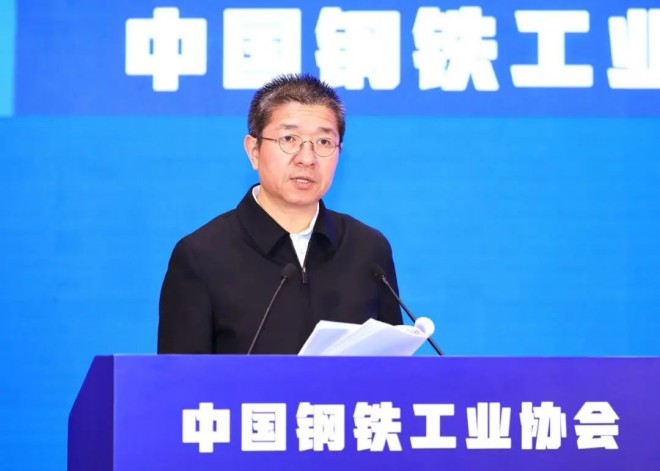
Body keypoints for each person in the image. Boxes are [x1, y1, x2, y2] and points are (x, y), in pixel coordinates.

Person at [158, 73, 403, 354]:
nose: (307, 158)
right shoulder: (201, 256)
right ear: (254, 150)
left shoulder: (368, 251)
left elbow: (393, 369)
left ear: (339, 152)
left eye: (323, 142)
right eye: (289, 138)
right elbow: (177, 377)